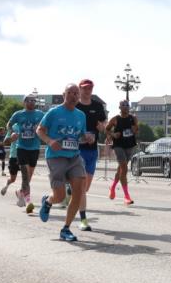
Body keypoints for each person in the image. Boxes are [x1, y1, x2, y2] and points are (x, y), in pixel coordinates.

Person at [36, 83, 89, 241]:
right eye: (70, 92)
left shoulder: (81, 115)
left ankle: (66, 229)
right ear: (64, 94)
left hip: (74, 157)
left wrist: (86, 137)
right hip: (56, 156)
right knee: (59, 197)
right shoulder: (54, 112)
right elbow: (39, 130)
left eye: (76, 93)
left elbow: (80, 135)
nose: (74, 95)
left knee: (78, 193)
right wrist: (50, 141)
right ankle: (48, 201)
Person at [74, 79, 108, 230]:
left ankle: (71, 191)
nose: (87, 91)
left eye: (90, 88)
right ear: (80, 89)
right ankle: (83, 219)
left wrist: (103, 127)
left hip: (92, 151)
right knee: (81, 187)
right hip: (77, 150)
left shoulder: (97, 106)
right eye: (85, 88)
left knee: (85, 188)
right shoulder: (75, 105)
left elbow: (104, 124)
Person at [7, 94, 45, 212]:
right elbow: (8, 124)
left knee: (29, 177)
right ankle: (28, 201)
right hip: (21, 148)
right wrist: (12, 133)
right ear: (24, 102)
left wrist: (41, 130)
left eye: (34, 100)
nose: (32, 102)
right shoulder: (18, 114)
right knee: (25, 176)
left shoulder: (40, 114)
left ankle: (20, 192)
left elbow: (47, 125)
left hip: (34, 148)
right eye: (29, 100)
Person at [105, 99, 138, 204]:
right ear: (119, 107)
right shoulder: (115, 119)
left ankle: (113, 187)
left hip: (129, 145)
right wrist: (113, 135)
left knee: (120, 169)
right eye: (123, 105)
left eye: (127, 105)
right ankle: (126, 196)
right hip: (118, 145)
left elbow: (136, 130)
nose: (125, 107)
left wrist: (135, 129)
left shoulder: (133, 118)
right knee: (124, 168)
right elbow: (107, 129)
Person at [1, 123, 22, 202]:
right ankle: (6, 185)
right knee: (13, 179)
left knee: (26, 178)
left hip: (25, 155)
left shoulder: (29, 125)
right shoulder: (14, 127)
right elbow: (5, 142)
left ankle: (22, 195)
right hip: (14, 156)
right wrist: (11, 138)